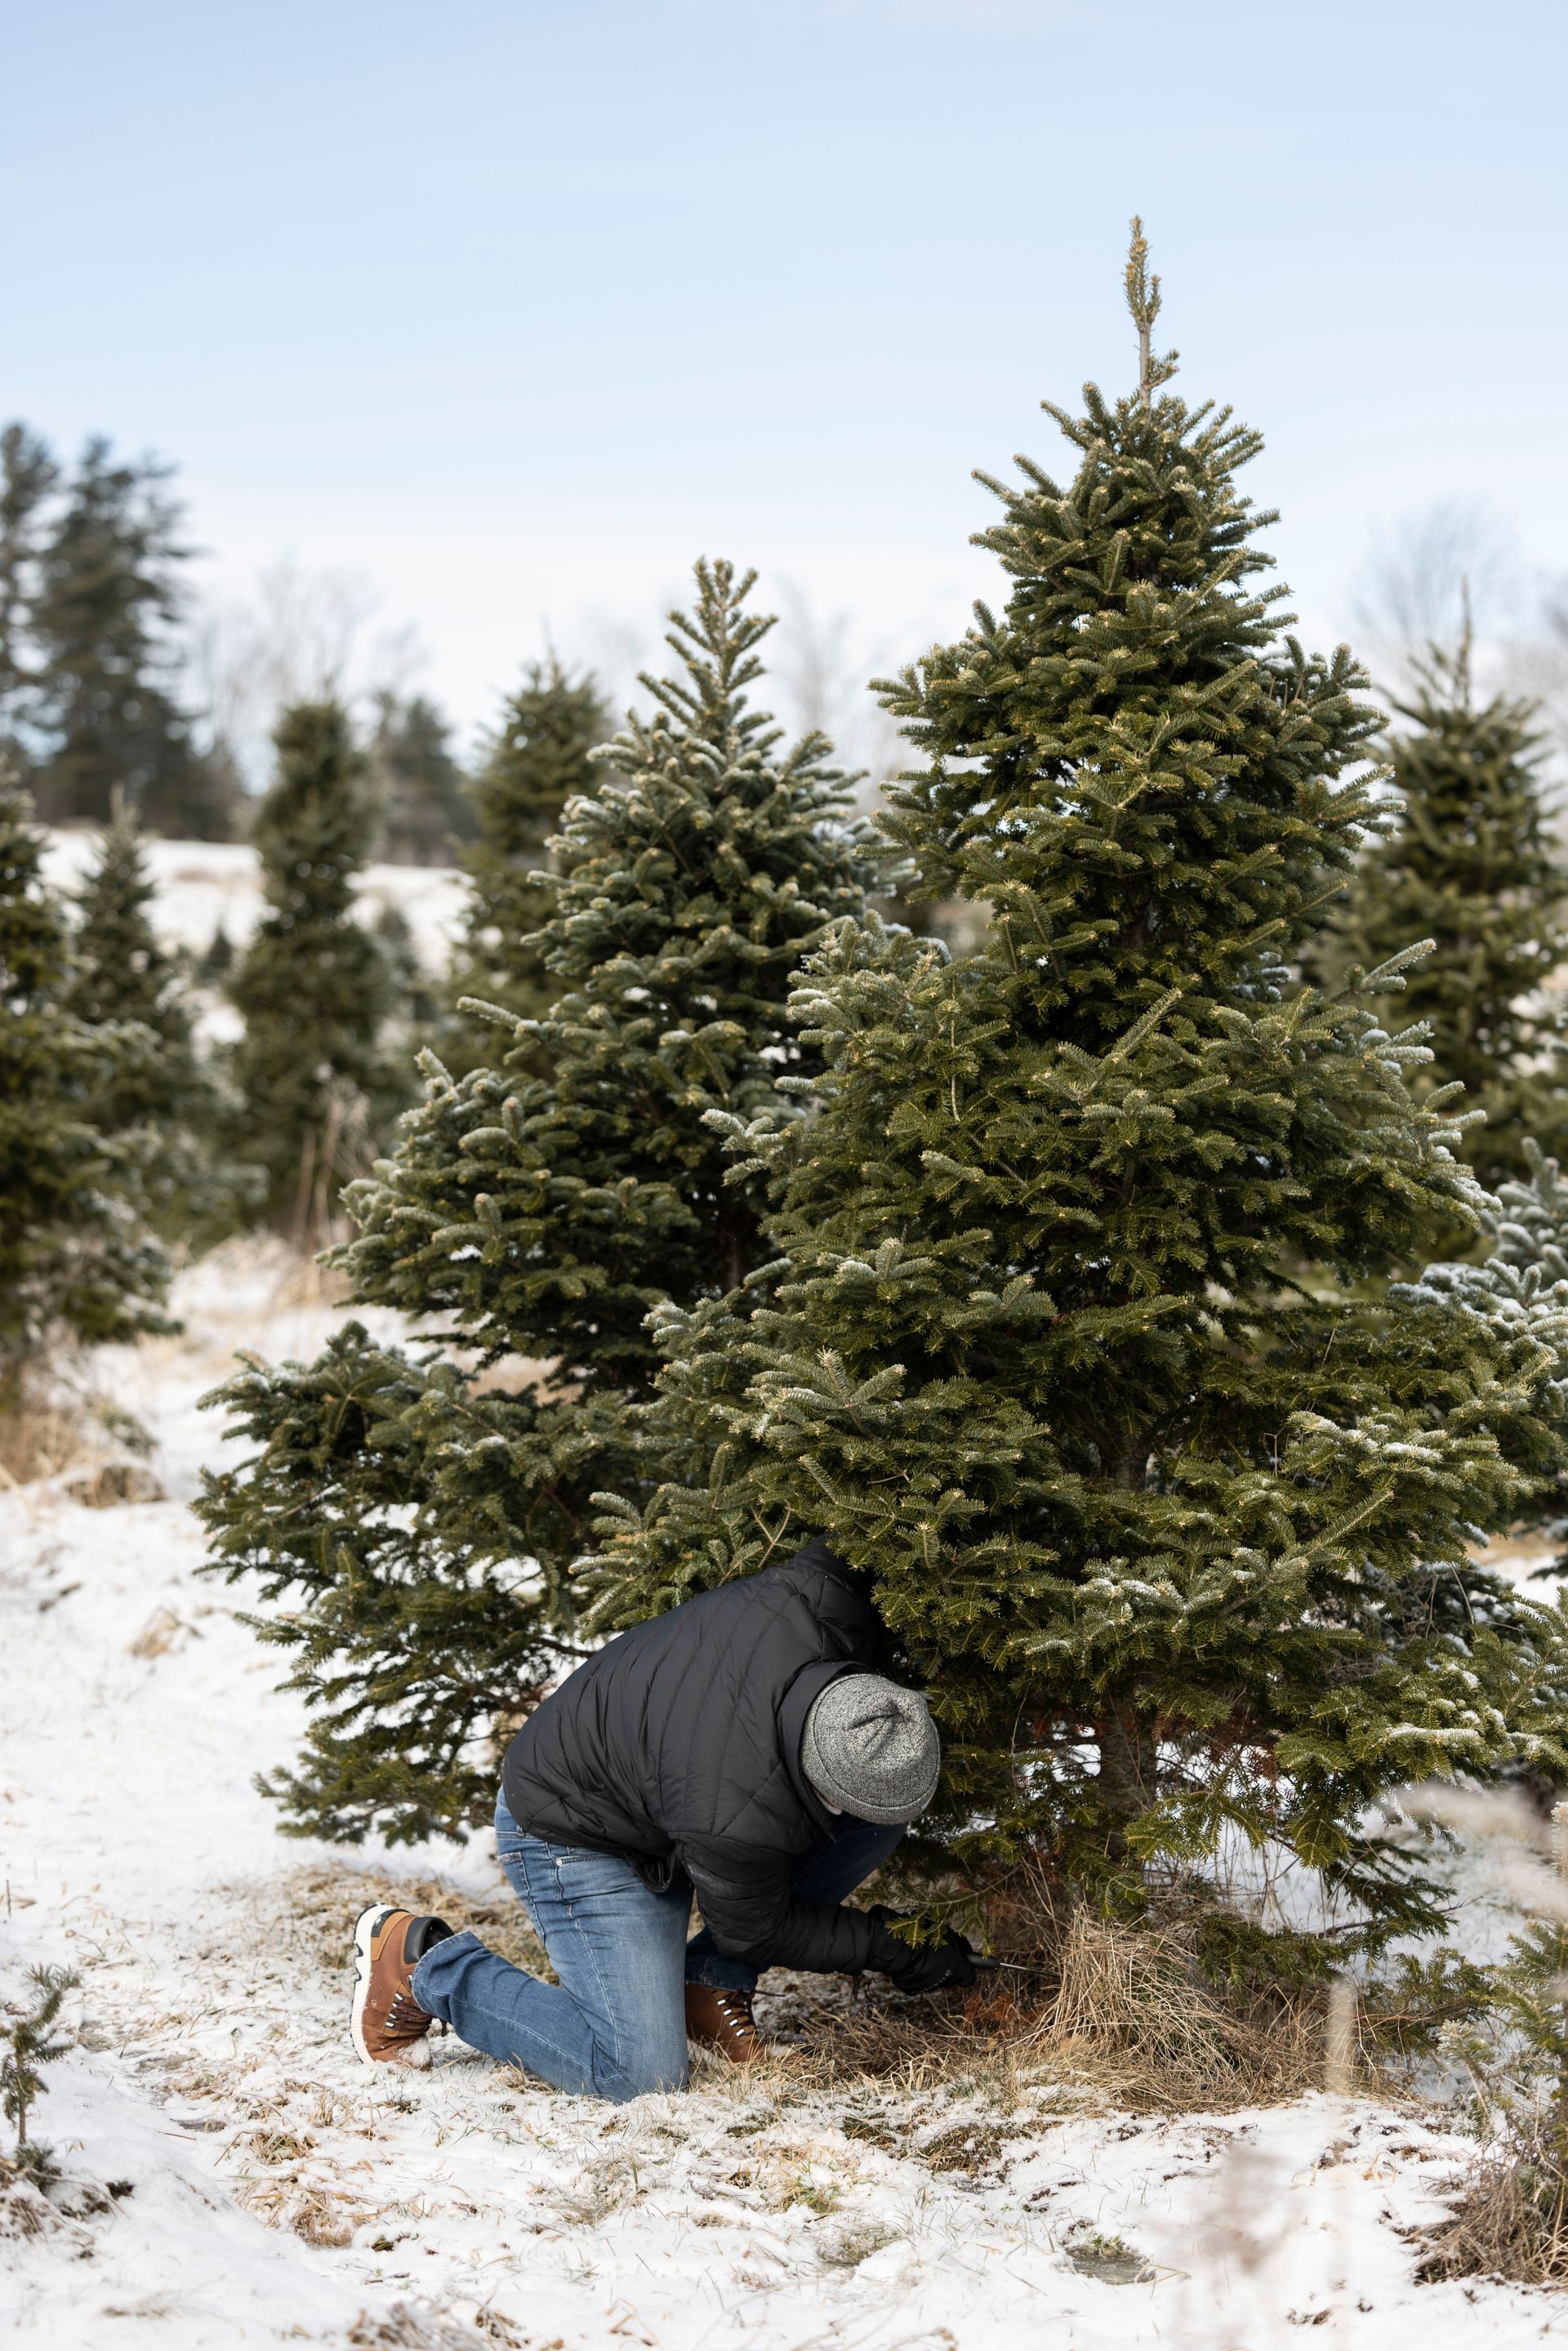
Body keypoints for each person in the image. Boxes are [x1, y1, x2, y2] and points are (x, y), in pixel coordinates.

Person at [348, 1535, 978, 2100]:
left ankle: (703, 1985)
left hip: (653, 1787)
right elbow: (755, 1928)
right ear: (817, 1780)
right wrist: (899, 1947)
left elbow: (865, 1540)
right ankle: (421, 1965)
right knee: (638, 2071)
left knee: (879, 1819)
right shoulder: (733, 1812)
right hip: (574, 1831)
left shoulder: (825, 1599)